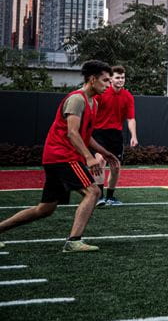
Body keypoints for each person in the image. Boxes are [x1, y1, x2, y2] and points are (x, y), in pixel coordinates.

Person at [0, 60, 121, 252]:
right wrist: (89, 158)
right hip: (62, 156)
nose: (108, 84)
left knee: (45, 209)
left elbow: (85, 136)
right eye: (105, 80)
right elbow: (72, 133)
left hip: (59, 157)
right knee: (94, 192)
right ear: (92, 79)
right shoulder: (77, 99)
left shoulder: (94, 103)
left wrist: (104, 152)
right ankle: (74, 241)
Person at [92, 65, 138, 206]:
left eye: (122, 78)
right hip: (98, 133)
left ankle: (110, 197)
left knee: (116, 166)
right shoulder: (101, 94)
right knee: (99, 162)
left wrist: (133, 136)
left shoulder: (128, 96)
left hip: (116, 134)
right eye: (117, 77)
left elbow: (130, 118)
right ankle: (99, 197)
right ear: (111, 79)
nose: (120, 80)